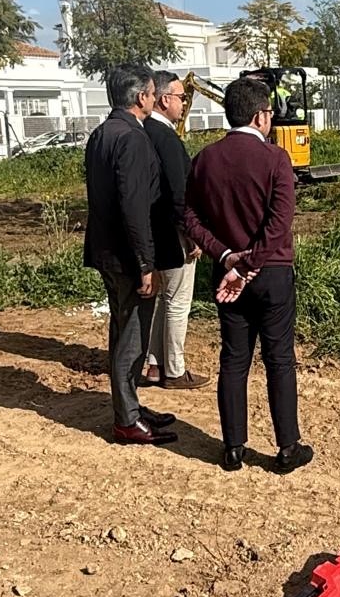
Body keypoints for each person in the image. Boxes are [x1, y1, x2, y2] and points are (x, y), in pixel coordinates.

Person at [183, 75, 312, 475]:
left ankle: (233, 447)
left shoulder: (205, 159)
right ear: (260, 116)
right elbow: (279, 222)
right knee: (279, 359)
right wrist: (250, 263)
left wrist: (226, 257)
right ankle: (287, 447)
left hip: (227, 274)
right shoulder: (276, 159)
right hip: (271, 272)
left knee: (234, 358)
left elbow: (189, 216)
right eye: (270, 112)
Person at [82, 65, 178, 446]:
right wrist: (145, 264)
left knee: (122, 329)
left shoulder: (101, 134)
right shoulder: (134, 139)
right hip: (128, 257)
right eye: (153, 94)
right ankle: (127, 419)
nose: (155, 100)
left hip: (106, 252)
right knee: (132, 337)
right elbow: (135, 208)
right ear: (141, 98)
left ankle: (130, 405)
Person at [140, 71, 208, 391]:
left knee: (164, 300)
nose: (184, 103)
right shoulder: (166, 138)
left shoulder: (143, 131)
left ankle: (155, 364)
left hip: (151, 231)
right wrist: (191, 233)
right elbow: (178, 192)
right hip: (172, 233)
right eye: (182, 97)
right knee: (178, 301)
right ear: (165, 99)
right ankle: (175, 370)